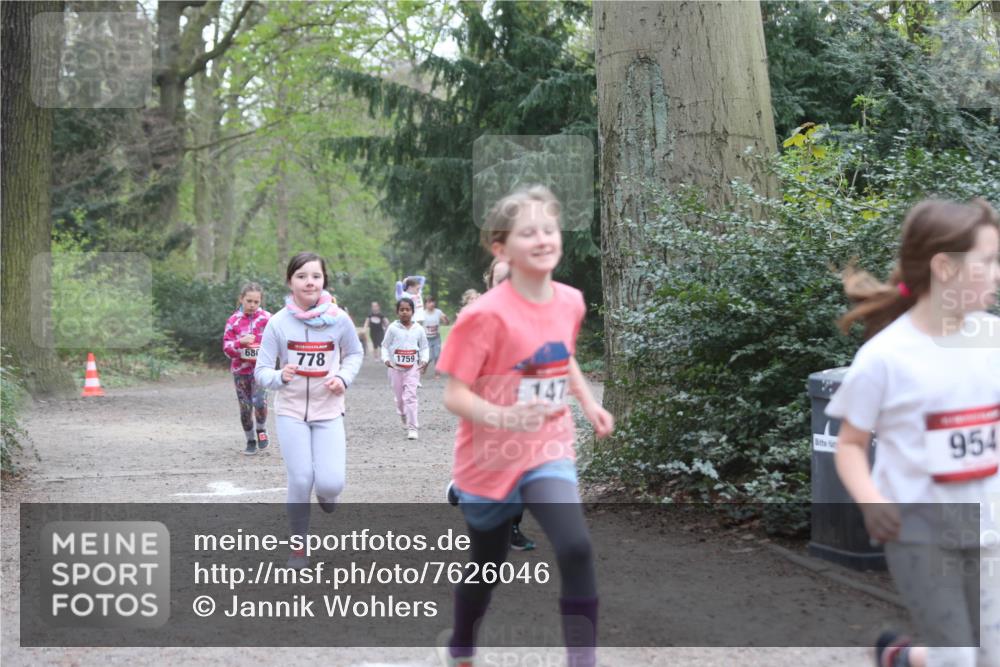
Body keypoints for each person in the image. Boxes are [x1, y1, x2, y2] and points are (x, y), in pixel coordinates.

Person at [436, 185, 614, 667]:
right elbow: (455, 394)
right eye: (527, 232)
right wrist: (503, 416)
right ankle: (463, 643)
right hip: (489, 459)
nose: (542, 238)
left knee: (575, 546)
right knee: (487, 565)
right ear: (501, 248)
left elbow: (563, 355)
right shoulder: (481, 316)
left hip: (546, 445)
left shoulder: (571, 302)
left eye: (549, 229)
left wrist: (588, 402)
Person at [827, 198, 1000, 667]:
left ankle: (903, 658)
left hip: (984, 524)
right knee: (959, 660)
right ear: (945, 267)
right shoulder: (887, 357)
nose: (998, 273)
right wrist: (872, 500)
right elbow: (849, 444)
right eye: (987, 261)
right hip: (919, 527)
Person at [254, 252, 364, 568]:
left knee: (331, 483)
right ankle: (299, 547)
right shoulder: (277, 323)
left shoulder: (340, 319)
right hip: (290, 411)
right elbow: (261, 370)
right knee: (301, 479)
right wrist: (279, 376)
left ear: (323, 280)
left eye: (315, 276)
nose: (309, 282)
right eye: (302, 276)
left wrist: (343, 377)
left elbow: (355, 354)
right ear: (291, 281)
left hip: (328, 410)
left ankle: (327, 495)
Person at [222, 282, 271, 456]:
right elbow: (226, 348)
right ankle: (250, 440)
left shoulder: (267, 319)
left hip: (261, 370)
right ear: (241, 299)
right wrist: (239, 343)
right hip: (240, 371)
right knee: (245, 407)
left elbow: (278, 341)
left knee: (259, 401)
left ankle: (261, 430)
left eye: (256, 302)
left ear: (261, 302)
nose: (252, 305)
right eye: (249, 301)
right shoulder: (233, 321)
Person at [382, 297, 429, 440]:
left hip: (412, 368)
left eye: (407, 309)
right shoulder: (392, 328)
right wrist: (386, 360)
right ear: (397, 312)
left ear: (413, 312)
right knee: (400, 399)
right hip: (396, 368)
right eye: (401, 310)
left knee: (410, 397)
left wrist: (424, 360)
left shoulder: (419, 329)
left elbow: (424, 347)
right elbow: (384, 346)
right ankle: (402, 413)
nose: (404, 312)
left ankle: (413, 427)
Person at [422, 297, 451, 380]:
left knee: (437, 355)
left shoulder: (438, 312)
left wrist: (445, 318)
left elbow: (446, 322)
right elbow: (416, 324)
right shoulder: (423, 314)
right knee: (429, 357)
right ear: (425, 304)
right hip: (426, 338)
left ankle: (437, 373)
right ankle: (424, 366)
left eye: (433, 302)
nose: (431, 304)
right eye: (429, 302)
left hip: (436, 338)